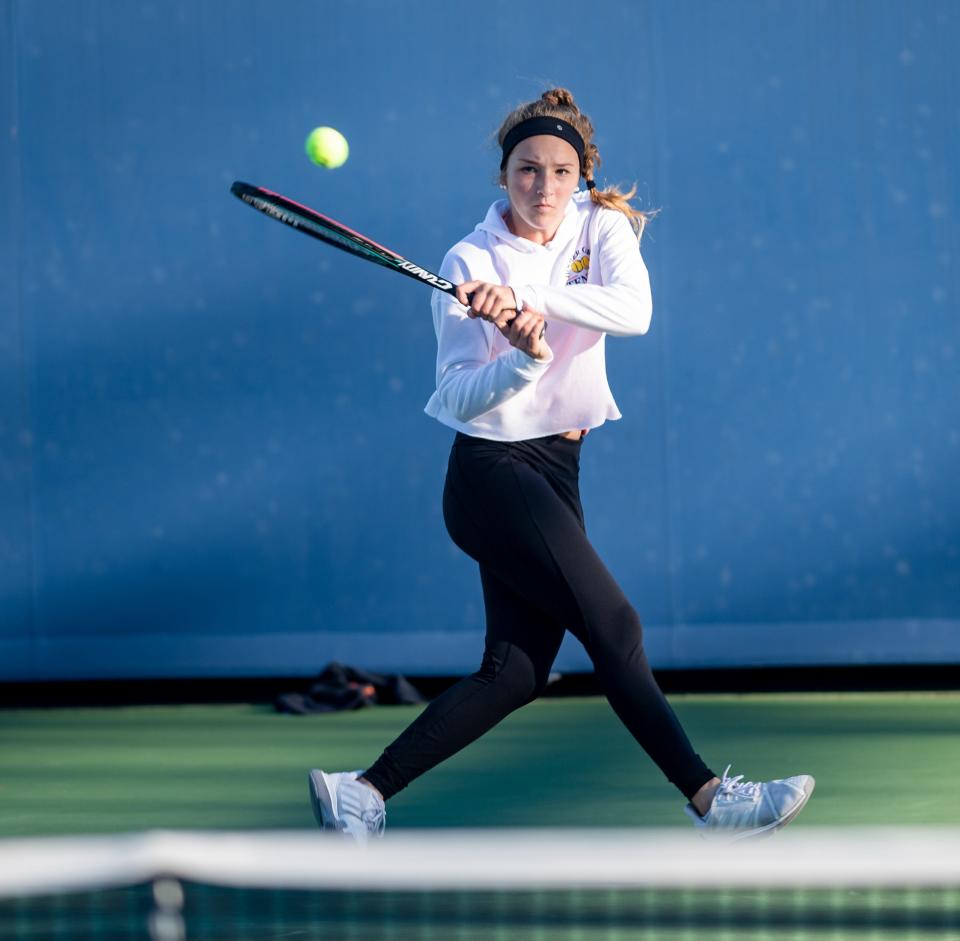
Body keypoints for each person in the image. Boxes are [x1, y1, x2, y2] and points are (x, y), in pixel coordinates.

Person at [308, 88, 814, 843]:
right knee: (615, 623)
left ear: (582, 177)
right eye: (526, 170)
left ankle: (362, 791)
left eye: (560, 171)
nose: (543, 187)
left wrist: (528, 298)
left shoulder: (601, 226)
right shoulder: (467, 260)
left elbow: (633, 311)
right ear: (502, 175)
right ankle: (712, 798)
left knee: (514, 672)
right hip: (490, 473)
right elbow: (455, 396)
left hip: (558, 469)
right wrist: (522, 355)